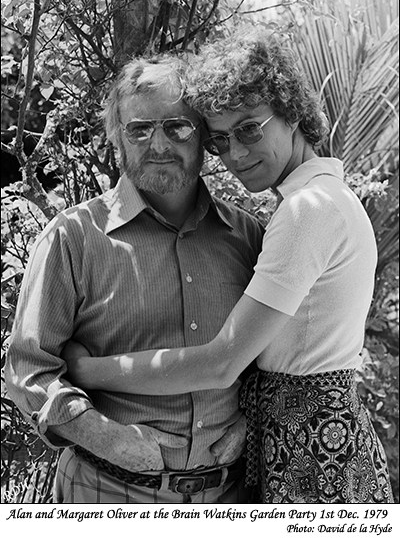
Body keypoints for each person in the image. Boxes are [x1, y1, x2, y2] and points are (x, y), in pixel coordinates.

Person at [63, 32, 394, 504]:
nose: (236, 154)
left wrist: (86, 370)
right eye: (219, 139)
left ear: (292, 111)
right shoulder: (322, 202)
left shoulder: (308, 211)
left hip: (315, 451)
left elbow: (221, 363)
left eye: (249, 130)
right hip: (308, 438)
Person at [4, 53, 265, 504]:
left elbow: (274, 357)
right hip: (107, 491)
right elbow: (29, 369)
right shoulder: (73, 238)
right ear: (117, 139)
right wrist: (105, 437)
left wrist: (249, 422)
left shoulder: (246, 236)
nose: (158, 145)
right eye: (139, 129)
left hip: (230, 495)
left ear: (203, 135)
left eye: (177, 127)